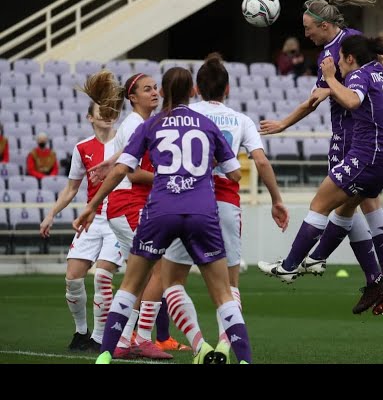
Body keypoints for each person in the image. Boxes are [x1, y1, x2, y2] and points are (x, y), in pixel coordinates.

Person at [73, 66, 253, 364]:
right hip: (201, 211)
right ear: (193, 91)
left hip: (161, 210)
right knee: (223, 293)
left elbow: (121, 170)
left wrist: (92, 205)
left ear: (165, 92)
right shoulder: (207, 124)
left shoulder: (152, 124)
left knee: (131, 284)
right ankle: (244, 360)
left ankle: (104, 356)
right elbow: (234, 173)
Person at [259, 0, 383, 315]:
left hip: (352, 139)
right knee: (360, 201)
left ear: (324, 26)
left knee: (335, 202)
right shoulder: (352, 39)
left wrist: (283, 124)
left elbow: (316, 99)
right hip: (372, 140)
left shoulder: (337, 55)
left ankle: (311, 262)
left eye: (308, 28)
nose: (305, 34)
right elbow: (380, 58)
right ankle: (380, 275)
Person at [162, 52, 289, 364]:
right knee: (230, 286)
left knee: (172, 282)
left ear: (196, 89)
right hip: (227, 205)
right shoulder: (240, 119)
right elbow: (260, 160)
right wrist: (276, 199)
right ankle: (223, 348)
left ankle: (199, 347)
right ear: (227, 89)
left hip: (186, 201)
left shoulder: (185, 114)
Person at [92, 72, 183, 359]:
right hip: (129, 202)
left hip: (128, 204)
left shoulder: (139, 123)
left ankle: (123, 340)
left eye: (156, 88)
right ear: (132, 98)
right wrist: (167, 176)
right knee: (159, 269)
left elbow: (121, 158)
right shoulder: (135, 124)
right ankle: (141, 337)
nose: (155, 92)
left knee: (140, 274)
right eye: (147, 90)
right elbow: (132, 173)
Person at [40, 85, 121, 352]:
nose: (107, 115)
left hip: (118, 217)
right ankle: (81, 332)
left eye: (111, 110)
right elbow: (72, 188)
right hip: (92, 218)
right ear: (90, 117)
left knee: (102, 277)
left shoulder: (125, 143)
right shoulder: (82, 148)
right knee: (73, 278)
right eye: (102, 111)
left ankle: (99, 338)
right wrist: (51, 214)